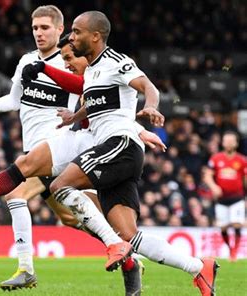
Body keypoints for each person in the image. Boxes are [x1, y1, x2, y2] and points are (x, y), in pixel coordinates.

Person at [0, 23, 164, 294]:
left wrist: (138, 129)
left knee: (16, 195)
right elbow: (14, 100)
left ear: (59, 29)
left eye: (45, 27)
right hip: (45, 147)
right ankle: (129, 254)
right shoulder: (28, 61)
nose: (38, 33)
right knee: (72, 218)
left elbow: (105, 101)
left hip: (66, 147)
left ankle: (23, 266)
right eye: (34, 28)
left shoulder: (79, 58)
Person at [20, 11, 218, 296]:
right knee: (130, 235)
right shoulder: (93, 72)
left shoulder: (117, 61)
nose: (72, 37)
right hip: (119, 149)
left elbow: (148, 86)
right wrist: (74, 117)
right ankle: (199, 267)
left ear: (95, 36)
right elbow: (104, 108)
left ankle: (112, 245)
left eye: (76, 32)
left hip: (120, 145)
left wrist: (151, 106)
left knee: (60, 186)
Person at [204, 131, 246, 261]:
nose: (228, 143)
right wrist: (214, 187)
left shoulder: (242, 160)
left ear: (236, 143)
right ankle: (230, 248)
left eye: (230, 141)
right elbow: (207, 176)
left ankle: (234, 252)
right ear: (222, 143)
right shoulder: (216, 159)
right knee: (223, 227)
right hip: (221, 199)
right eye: (226, 141)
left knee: (237, 224)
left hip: (237, 198)